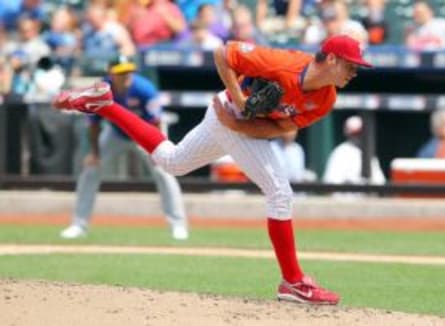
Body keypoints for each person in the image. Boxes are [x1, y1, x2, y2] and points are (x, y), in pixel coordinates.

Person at [53, 34, 372, 305]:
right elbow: (223, 53)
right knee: (279, 193)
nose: (354, 72)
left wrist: (241, 123)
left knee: (173, 162)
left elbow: (280, 128)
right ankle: (293, 281)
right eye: (351, 65)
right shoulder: (282, 63)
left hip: (236, 124)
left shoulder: (326, 98)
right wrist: (238, 100)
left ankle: (105, 104)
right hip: (226, 110)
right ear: (330, 59)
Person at [59, 55, 188, 240]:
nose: (126, 75)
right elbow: (93, 124)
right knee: (90, 170)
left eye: (128, 71)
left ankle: (178, 225)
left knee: (165, 171)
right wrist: (94, 154)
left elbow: (156, 121)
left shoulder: (144, 88)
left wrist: (158, 150)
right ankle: (78, 225)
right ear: (110, 73)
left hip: (146, 135)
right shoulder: (101, 90)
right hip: (115, 135)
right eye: (121, 72)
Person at [323, 115, 385, 187]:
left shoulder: (369, 153)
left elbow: (380, 182)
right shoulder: (340, 152)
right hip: (345, 197)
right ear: (348, 134)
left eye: (359, 133)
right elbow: (330, 182)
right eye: (354, 134)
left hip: (367, 197)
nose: (357, 137)